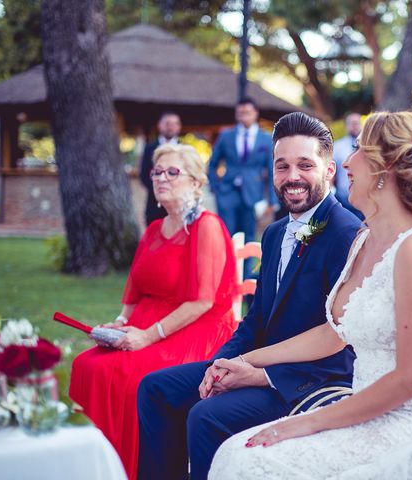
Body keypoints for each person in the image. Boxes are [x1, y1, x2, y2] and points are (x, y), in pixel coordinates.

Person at [208, 111, 412, 479]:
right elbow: (332, 333)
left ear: (386, 169)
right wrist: (244, 360)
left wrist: (307, 423)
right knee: (235, 452)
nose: (347, 161)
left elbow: (411, 380)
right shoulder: (365, 239)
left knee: (251, 464)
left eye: (359, 151)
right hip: (364, 409)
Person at [137, 112, 362, 480]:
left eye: (305, 165)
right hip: (256, 364)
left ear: (329, 170)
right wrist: (221, 364)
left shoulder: (346, 233)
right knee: (156, 388)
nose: (292, 177)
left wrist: (260, 374)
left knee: (206, 415)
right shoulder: (274, 234)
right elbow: (256, 319)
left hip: (308, 382)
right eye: (282, 166)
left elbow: (342, 343)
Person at [70, 144, 238, 479]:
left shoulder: (206, 226)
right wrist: (118, 324)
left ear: (195, 182)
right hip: (146, 323)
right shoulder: (152, 230)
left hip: (196, 327)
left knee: (131, 374)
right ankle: (97, 466)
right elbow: (135, 291)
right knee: (87, 364)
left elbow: (202, 301)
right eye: (157, 172)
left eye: (172, 172)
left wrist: (147, 336)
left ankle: (131, 469)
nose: (162, 178)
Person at [208, 98, 278, 266]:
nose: (243, 116)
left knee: (249, 238)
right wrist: (215, 188)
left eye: (247, 112)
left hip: (252, 194)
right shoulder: (226, 135)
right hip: (227, 194)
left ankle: (245, 282)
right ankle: (226, 278)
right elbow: (212, 164)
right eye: (240, 112)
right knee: (226, 237)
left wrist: (272, 201)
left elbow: (271, 170)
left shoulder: (266, 139)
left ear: (255, 114)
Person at [139, 112, 182, 225]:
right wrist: (160, 189)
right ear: (160, 125)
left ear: (179, 126)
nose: (171, 127)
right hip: (154, 204)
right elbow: (144, 175)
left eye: (174, 124)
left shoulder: (184, 149)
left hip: (179, 204)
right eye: (167, 123)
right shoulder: (149, 148)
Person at [333, 112, 364, 219]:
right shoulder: (337, 147)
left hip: (365, 202)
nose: (355, 126)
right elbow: (332, 173)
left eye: (357, 123)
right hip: (343, 200)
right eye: (352, 123)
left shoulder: (369, 146)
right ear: (346, 126)